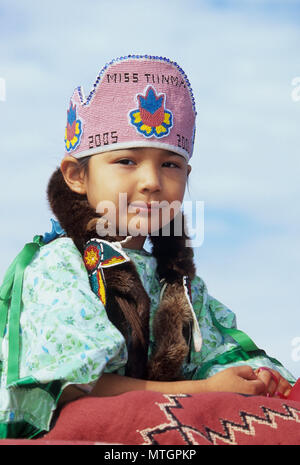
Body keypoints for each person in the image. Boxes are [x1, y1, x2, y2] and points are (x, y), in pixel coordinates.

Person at [0, 55, 295, 439]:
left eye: (170, 165)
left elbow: (219, 360)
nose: (151, 181)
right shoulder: (58, 266)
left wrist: (256, 379)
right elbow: (76, 388)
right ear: (76, 176)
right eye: (126, 160)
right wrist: (203, 392)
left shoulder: (181, 287)